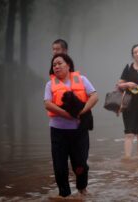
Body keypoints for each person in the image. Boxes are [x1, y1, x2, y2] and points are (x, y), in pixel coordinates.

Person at [44, 53, 98, 197]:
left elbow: (94, 96)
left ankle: (82, 189)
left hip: (79, 132)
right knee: (60, 167)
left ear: (68, 65)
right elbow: (47, 104)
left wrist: (83, 111)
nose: (56, 66)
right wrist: (67, 115)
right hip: (58, 132)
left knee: (80, 165)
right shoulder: (50, 84)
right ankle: (64, 195)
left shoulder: (82, 79)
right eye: (54, 65)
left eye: (59, 63)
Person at [116, 44, 138, 161]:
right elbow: (118, 85)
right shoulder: (128, 68)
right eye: (135, 52)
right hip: (129, 104)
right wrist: (127, 84)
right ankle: (127, 159)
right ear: (133, 55)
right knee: (129, 133)